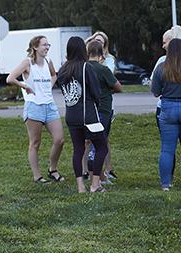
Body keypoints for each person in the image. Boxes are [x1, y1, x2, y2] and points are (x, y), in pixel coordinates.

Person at [6, 35, 66, 184]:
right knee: (35, 143)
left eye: (48, 45)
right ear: (35, 47)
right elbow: (10, 78)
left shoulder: (48, 61)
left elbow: (54, 75)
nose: (47, 47)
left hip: (50, 105)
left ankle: (53, 170)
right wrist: (25, 86)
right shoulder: (27, 63)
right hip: (34, 107)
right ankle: (37, 176)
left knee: (60, 140)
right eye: (44, 45)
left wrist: (48, 86)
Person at [57, 36, 108, 193]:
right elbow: (96, 92)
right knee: (102, 147)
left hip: (71, 115)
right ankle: (95, 184)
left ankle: (80, 186)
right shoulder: (86, 67)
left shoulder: (63, 70)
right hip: (88, 115)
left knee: (78, 149)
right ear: (82, 50)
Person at [83, 41, 122, 183]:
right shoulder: (103, 69)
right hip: (103, 109)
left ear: (88, 53)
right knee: (100, 145)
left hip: (87, 110)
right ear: (101, 55)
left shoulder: (83, 68)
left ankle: (92, 174)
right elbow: (118, 87)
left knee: (91, 142)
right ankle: (98, 177)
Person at [152, 26, 181, 183]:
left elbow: (155, 91)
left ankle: (166, 183)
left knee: (167, 149)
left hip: (167, 108)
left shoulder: (161, 67)